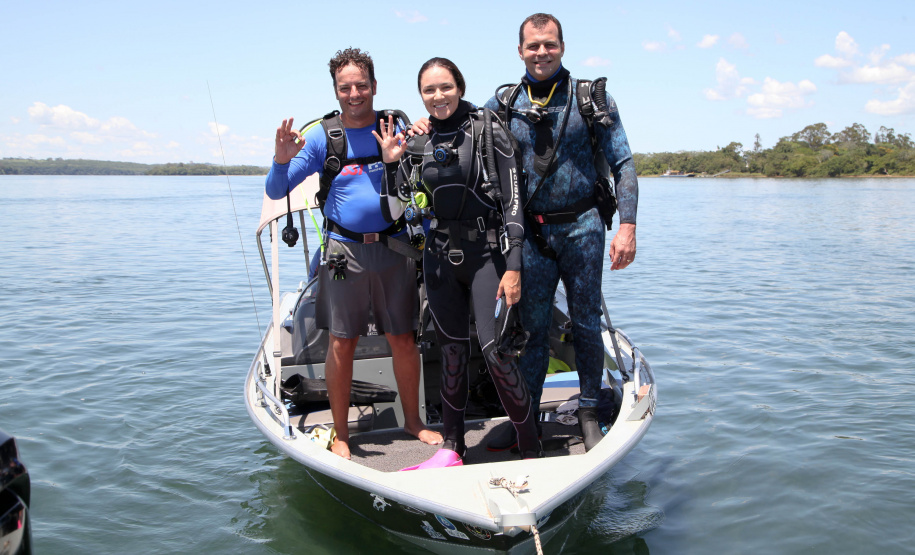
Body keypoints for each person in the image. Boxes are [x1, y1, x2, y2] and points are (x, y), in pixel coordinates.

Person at [265, 48, 442, 459]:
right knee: (342, 343)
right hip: (343, 255)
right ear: (336, 91)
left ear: (374, 86)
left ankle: (413, 421)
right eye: (346, 87)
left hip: (395, 250)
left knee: (403, 338)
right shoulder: (321, 138)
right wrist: (281, 159)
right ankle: (341, 433)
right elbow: (276, 191)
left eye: (362, 85)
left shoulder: (393, 123)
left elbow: (428, 163)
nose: (355, 93)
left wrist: (422, 132)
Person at [374, 57, 542, 468]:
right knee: (450, 352)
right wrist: (391, 163)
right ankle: (453, 447)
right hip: (438, 257)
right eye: (429, 90)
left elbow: (514, 204)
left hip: (488, 255)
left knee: (494, 350)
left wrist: (515, 264)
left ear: (460, 87)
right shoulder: (417, 142)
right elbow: (393, 211)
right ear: (421, 96)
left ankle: (530, 444)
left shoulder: (486, 129)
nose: (438, 96)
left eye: (445, 87)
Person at [484, 13, 639, 451]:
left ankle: (589, 409)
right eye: (532, 46)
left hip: (582, 228)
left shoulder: (592, 99)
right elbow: (461, 131)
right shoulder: (503, 104)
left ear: (562, 47)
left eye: (549, 44)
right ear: (520, 51)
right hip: (530, 235)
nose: (541, 52)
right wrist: (420, 127)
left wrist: (626, 225)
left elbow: (624, 164)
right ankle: (526, 418)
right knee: (530, 331)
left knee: (586, 324)